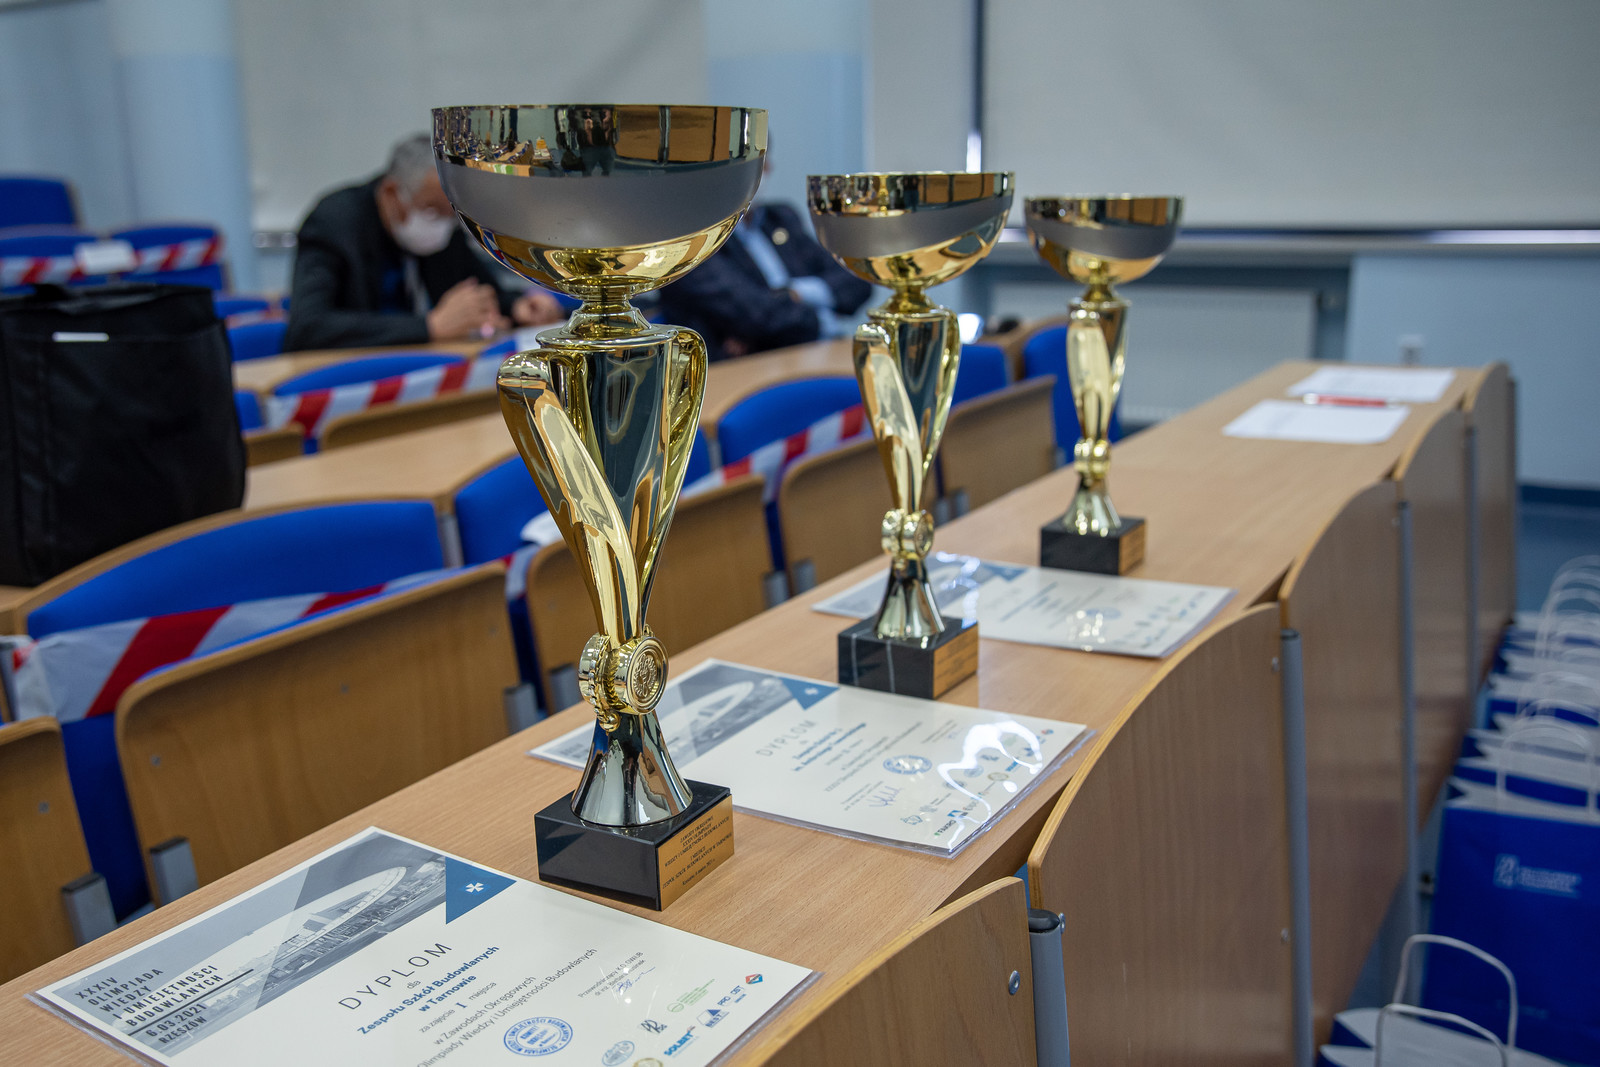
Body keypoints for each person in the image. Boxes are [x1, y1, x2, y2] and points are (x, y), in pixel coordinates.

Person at [284, 133, 563, 351]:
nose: (442, 226)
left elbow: (478, 290)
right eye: (431, 211)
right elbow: (308, 327)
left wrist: (517, 307)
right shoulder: (334, 224)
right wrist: (429, 326)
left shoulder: (444, 226)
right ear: (392, 193)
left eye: (451, 214)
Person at [657, 200, 873, 359]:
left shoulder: (779, 218)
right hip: (740, 373)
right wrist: (824, 313)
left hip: (815, 351)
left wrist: (796, 293)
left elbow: (856, 280)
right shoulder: (689, 239)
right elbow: (757, 315)